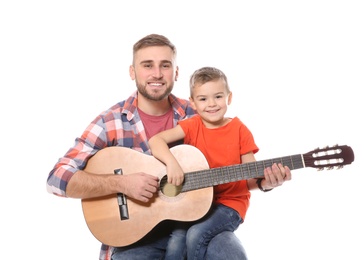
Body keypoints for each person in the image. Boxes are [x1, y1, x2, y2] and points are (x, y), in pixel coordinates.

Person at [46, 34, 291, 260]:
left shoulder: (200, 111)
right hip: (134, 236)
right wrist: (122, 183)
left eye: (165, 65)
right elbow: (56, 179)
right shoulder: (110, 122)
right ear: (132, 72)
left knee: (231, 255)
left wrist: (264, 182)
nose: (157, 73)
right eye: (147, 65)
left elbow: (231, 165)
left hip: (196, 222)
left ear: (176, 73)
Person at [148, 66, 292, 260]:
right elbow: (156, 141)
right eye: (203, 99)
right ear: (193, 102)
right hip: (194, 203)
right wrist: (172, 164)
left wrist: (267, 182)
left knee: (196, 234)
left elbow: (251, 177)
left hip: (229, 206)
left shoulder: (239, 130)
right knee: (176, 241)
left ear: (229, 98)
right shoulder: (192, 125)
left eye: (218, 97)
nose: (212, 104)